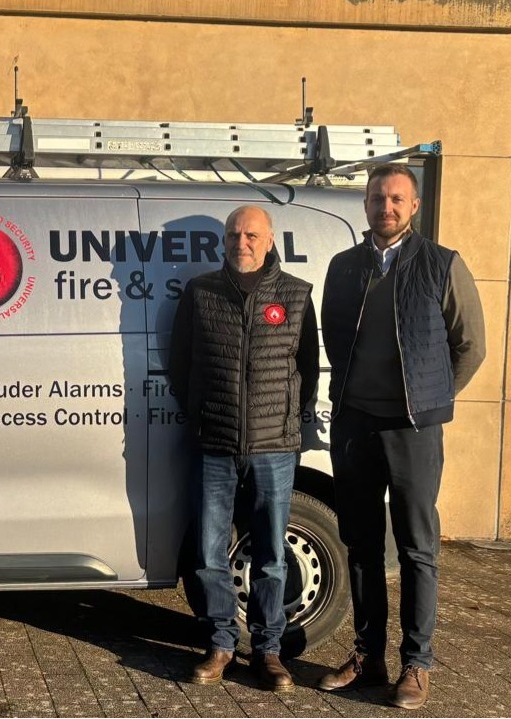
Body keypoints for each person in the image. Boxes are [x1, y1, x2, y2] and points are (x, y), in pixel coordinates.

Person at [318, 164, 485, 710]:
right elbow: (335, 340)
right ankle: (369, 656)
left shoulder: (442, 265)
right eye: (375, 198)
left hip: (413, 430)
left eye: (395, 199)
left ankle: (417, 663)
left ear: (413, 206)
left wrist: (430, 399)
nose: (384, 207)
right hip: (354, 427)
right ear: (364, 204)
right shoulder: (343, 267)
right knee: (361, 546)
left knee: (417, 549)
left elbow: (470, 346)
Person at [169, 205, 319, 693]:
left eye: (252, 234)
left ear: (270, 240)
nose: (242, 241)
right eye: (235, 234)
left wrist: (287, 422)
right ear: (224, 241)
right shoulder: (201, 292)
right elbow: (181, 364)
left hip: (274, 447)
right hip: (214, 444)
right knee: (210, 553)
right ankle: (221, 644)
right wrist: (203, 413)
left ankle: (269, 652)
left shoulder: (296, 297)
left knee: (272, 555)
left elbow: (309, 370)